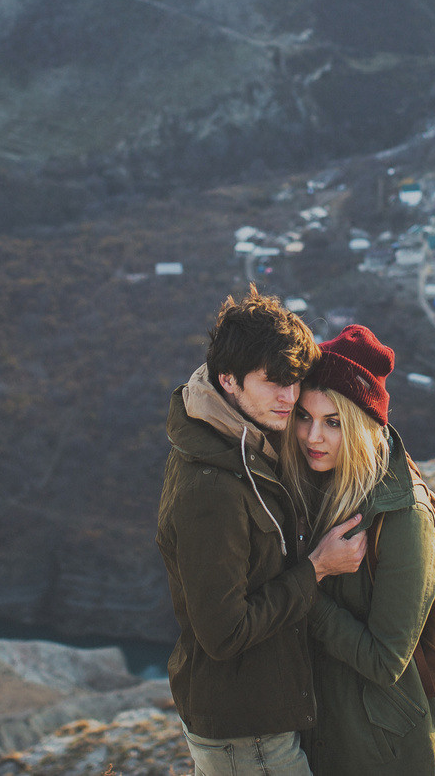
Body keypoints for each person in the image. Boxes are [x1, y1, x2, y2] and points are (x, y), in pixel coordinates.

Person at [158, 288, 369, 776]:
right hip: (244, 733)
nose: (289, 399)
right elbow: (224, 632)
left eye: (294, 382)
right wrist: (316, 568)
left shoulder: (240, 443)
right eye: (274, 383)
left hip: (258, 718)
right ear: (228, 380)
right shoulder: (214, 484)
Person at [280, 324, 435, 776]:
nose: (313, 437)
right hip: (321, 738)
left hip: (382, 754)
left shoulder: (405, 518)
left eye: (333, 422)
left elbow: (385, 659)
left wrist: (304, 583)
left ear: (362, 425)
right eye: (305, 417)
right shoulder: (314, 486)